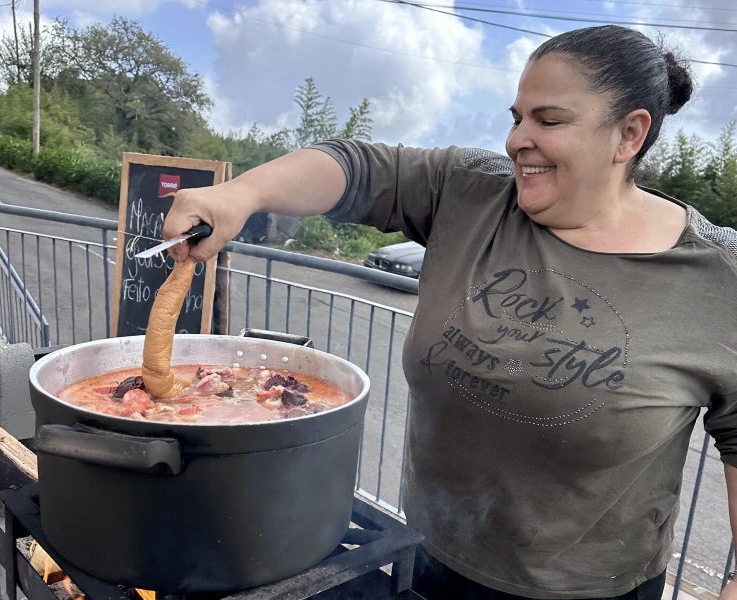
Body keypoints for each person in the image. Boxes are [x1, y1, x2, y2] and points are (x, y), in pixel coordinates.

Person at [163, 25, 737, 600]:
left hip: (594, 591)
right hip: (427, 556)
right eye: (517, 118)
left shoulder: (718, 280)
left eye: (549, 120)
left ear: (629, 134)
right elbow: (357, 166)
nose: (518, 140)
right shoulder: (471, 192)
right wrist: (243, 195)